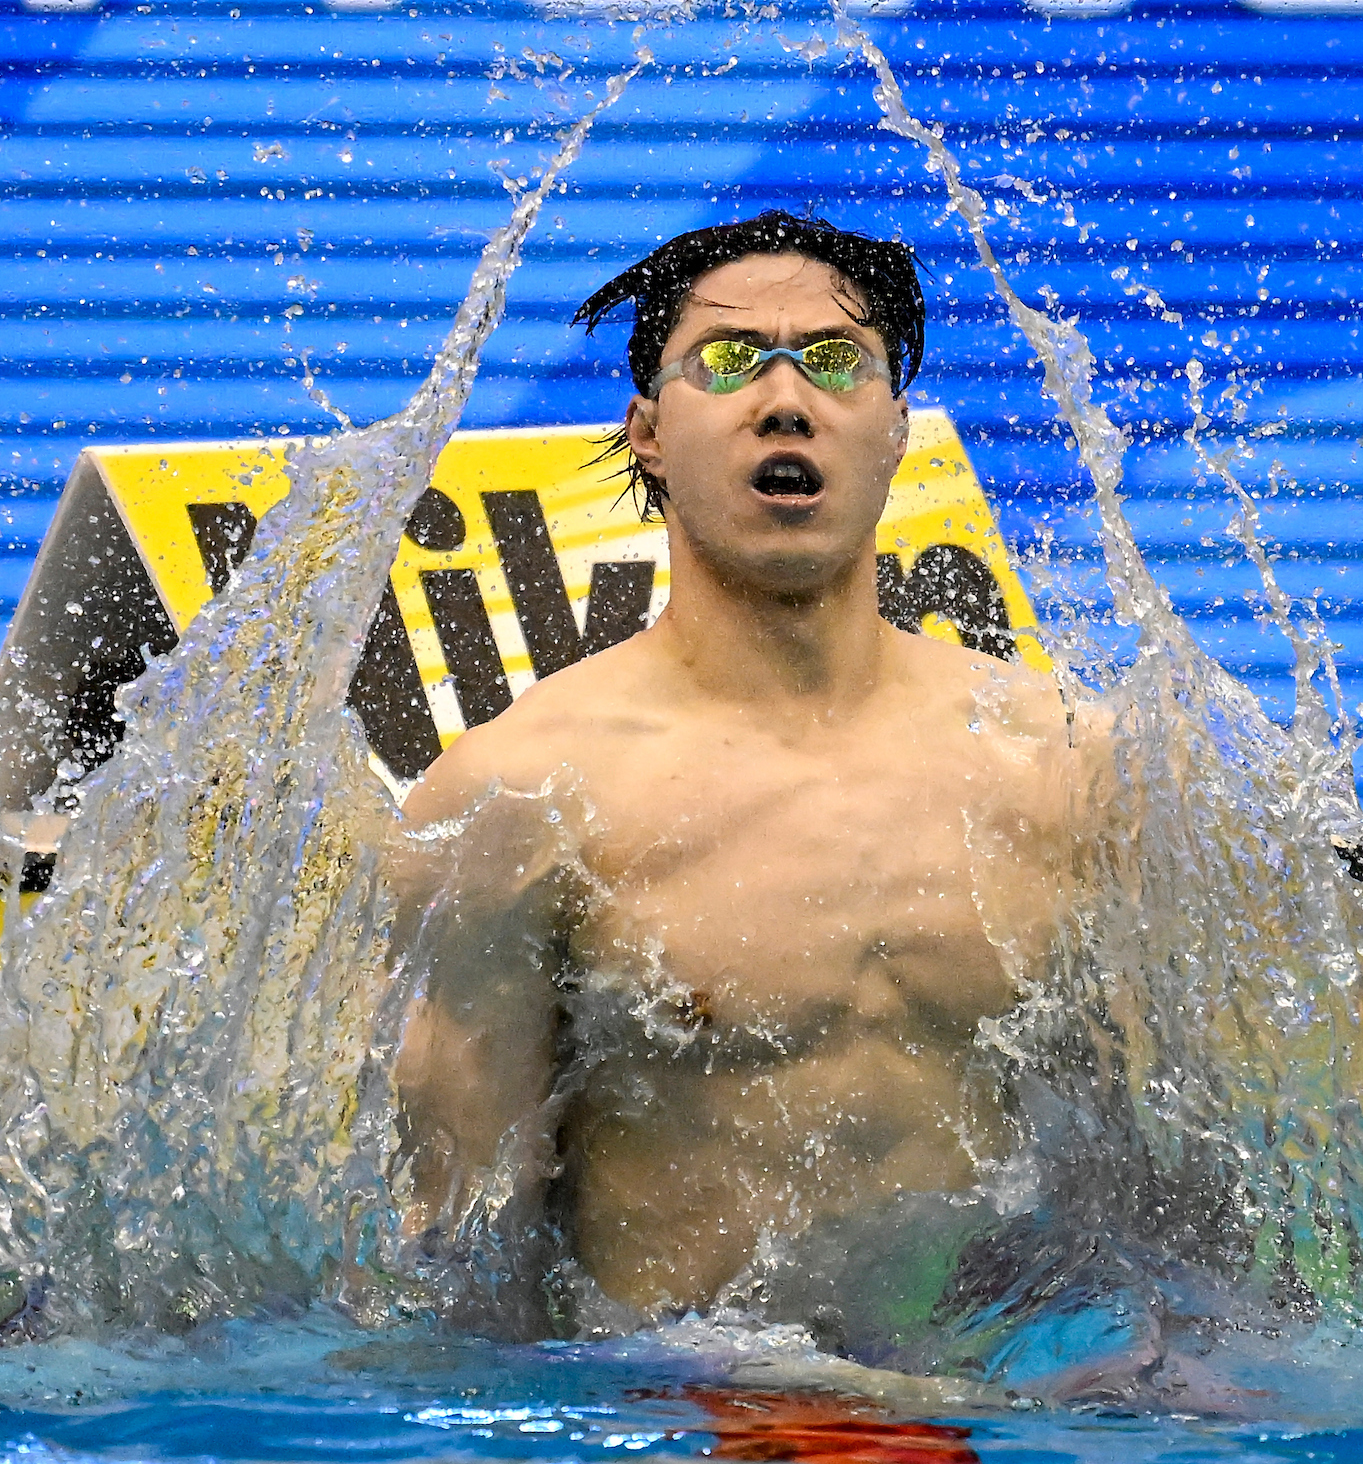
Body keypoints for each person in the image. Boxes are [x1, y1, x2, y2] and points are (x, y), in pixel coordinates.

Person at [384, 212, 1187, 1403]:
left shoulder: (1072, 767)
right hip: (697, 1407)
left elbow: (1199, 1184)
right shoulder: (519, 800)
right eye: (725, 361)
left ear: (896, 429)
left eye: (833, 361)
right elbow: (452, 1256)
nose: (782, 397)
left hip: (1040, 1384)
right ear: (649, 433)